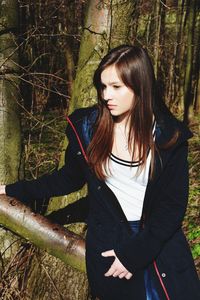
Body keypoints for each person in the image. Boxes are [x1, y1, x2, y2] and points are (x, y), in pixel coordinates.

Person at [0, 45, 199, 300]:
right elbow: (66, 180)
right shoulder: (88, 129)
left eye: (116, 87)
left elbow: (172, 206)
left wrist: (135, 255)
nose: (106, 95)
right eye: (103, 86)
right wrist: (12, 190)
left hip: (160, 247)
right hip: (110, 248)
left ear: (140, 85)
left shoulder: (169, 136)